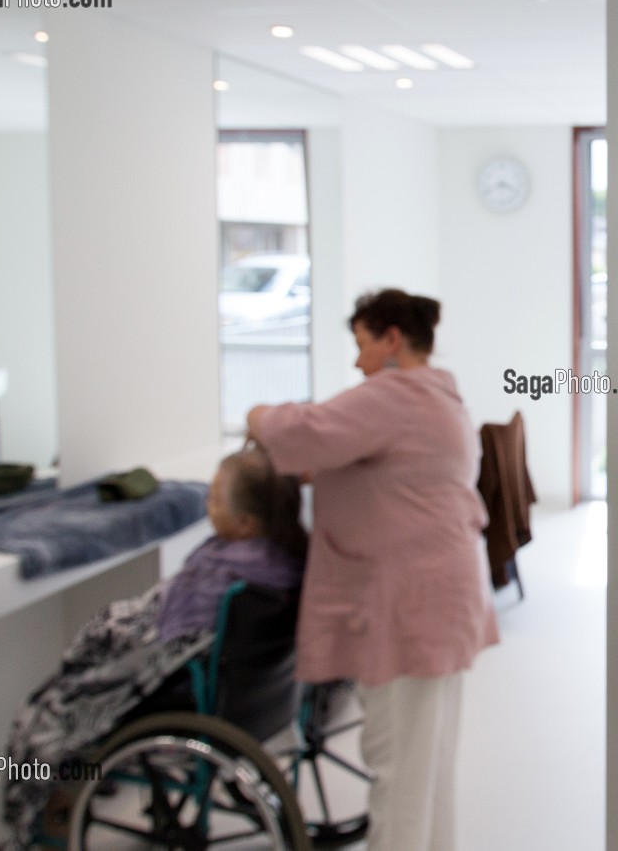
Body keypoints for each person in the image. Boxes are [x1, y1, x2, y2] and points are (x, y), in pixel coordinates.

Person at [247, 288, 499, 851]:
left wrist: (256, 415)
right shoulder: (437, 396)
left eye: (362, 345)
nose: (357, 361)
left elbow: (306, 427)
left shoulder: (395, 395)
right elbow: (381, 468)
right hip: (441, 596)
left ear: (392, 340)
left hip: (412, 607)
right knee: (426, 765)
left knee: (399, 772)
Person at [1, 447, 306, 849]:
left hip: (185, 688)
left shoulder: (226, 575)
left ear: (246, 523)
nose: (207, 503)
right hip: (256, 697)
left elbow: (167, 642)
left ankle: (52, 812)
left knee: (48, 711)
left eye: (214, 498)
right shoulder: (283, 561)